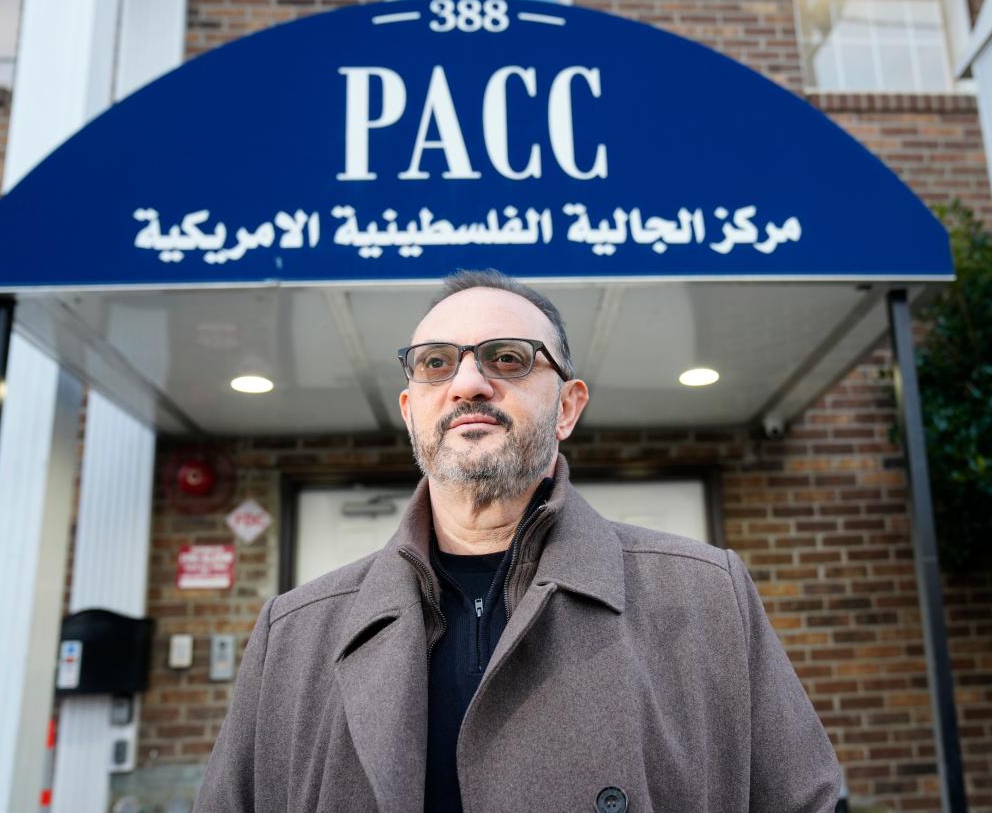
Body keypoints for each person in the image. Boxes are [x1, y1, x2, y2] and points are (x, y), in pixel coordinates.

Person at [195, 269, 841, 812]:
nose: (468, 382)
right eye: (436, 363)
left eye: (508, 358)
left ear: (567, 407)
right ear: (410, 410)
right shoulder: (293, 634)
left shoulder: (708, 599)